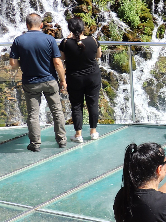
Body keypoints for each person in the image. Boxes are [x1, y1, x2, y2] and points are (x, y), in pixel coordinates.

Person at [9, 13, 67, 152]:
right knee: (57, 111)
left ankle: (35, 144)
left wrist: (22, 63)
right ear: (41, 25)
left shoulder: (18, 40)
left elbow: (13, 63)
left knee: (33, 114)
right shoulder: (49, 39)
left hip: (30, 83)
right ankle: (62, 140)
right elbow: (57, 62)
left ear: (27, 25)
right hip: (50, 81)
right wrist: (63, 80)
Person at [59, 17, 101, 143]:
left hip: (74, 78)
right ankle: (93, 132)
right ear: (83, 28)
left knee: (77, 106)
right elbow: (98, 55)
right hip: (93, 77)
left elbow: (61, 57)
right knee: (92, 103)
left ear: (70, 29)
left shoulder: (65, 42)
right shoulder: (93, 40)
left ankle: (78, 135)